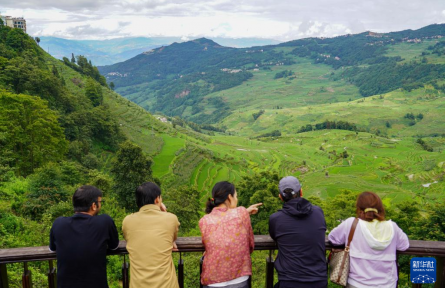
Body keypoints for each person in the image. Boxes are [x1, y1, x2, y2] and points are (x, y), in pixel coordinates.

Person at [328, 191, 409, 288]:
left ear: (359, 209)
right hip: (387, 284)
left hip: (356, 283)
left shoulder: (351, 223)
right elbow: (404, 245)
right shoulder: (392, 227)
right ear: (380, 209)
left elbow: (333, 239)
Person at [49, 185, 119, 288]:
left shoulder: (59, 223)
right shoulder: (105, 221)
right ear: (93, 205)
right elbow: (114, 246)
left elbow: (52, 249)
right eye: (100, 202)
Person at [199, 181, 262, 288]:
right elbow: (250, 245)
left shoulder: (204, 220)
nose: (236, 199)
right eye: (235, 196)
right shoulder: (241, 213)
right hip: (239, 278)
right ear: (229, 197)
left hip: (213, 280)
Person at [269, 176, 327, 288]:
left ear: (280, 197)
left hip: (289, 281)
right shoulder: (318, 212)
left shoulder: (275, 219)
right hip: (318, 280)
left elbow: (275, 236)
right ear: (301, 191)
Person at [122, 182, 180, 288]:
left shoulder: (127, 221)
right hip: (166, 285)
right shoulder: (171, 219)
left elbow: (128, 238)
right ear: (157, 199)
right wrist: (164, 211)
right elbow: (173, 235)